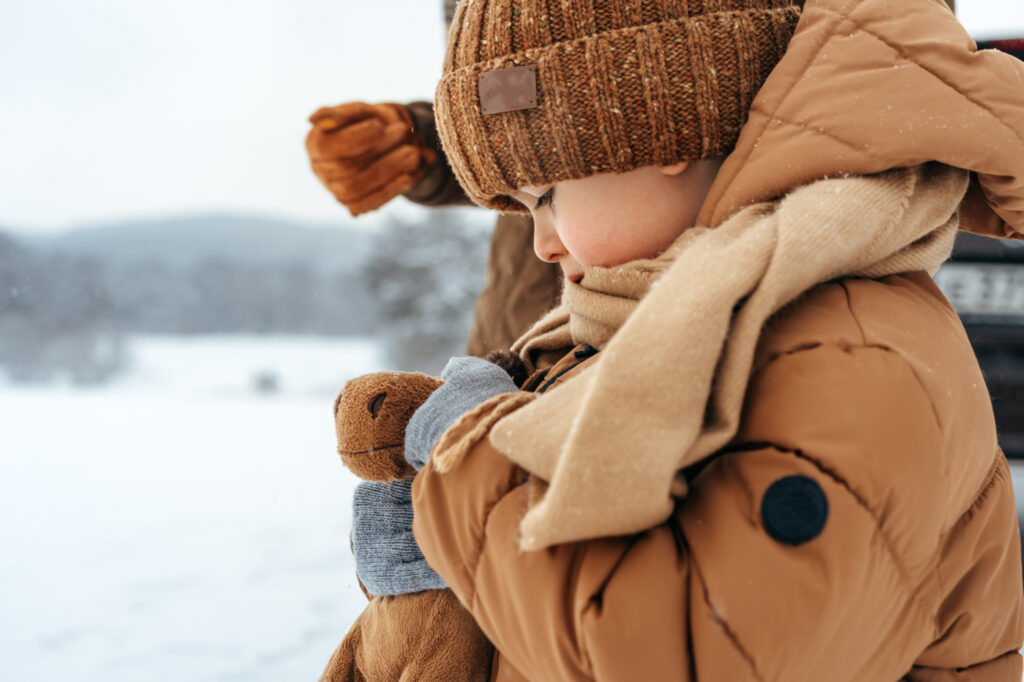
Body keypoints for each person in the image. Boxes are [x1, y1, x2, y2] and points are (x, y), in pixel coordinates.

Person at [352, 0, 1024, 679]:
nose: (543, 245)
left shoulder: (851, 354)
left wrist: (471, 456)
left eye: (548, 194)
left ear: (654, 128)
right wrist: (432, 587)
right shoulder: (655, 320)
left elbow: (678, 653)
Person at [305, 1, 561, 358]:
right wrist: (418, 141)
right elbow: (512, 120)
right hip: (509, 355)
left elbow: (556, 105)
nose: (545, 244)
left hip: (616, 359)